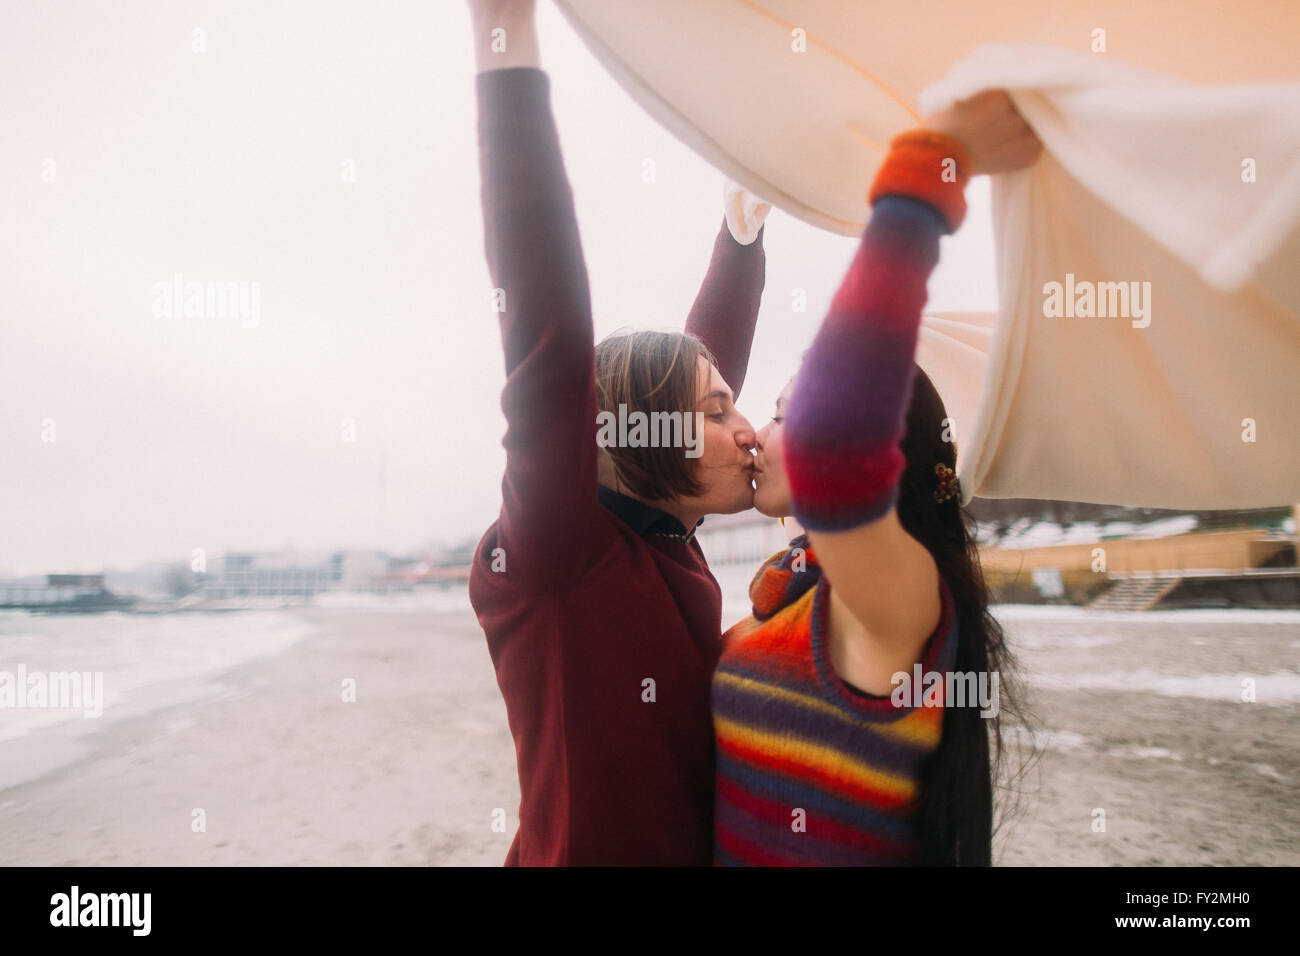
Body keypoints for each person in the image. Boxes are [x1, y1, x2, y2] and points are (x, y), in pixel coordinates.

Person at [465, 0, 766, 865]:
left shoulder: (665, 529)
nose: (747, 431)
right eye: (718, 415)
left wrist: (741, 235)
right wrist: (507, 48)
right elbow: (545, 324)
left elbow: (700, 376)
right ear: (648, 440)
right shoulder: (565, 554)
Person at [712, 92, 1041, 865]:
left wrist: (928, 174)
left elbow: (834, 440)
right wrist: (736, 243)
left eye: (789, 415)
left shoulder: (891, 605)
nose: (759, 430)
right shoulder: (792, 593)